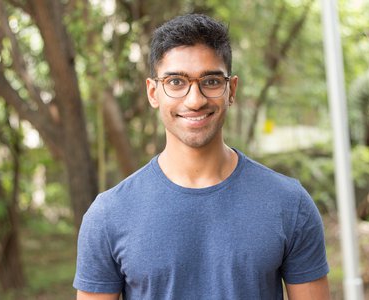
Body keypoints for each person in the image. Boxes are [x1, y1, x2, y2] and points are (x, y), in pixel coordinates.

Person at [73, 13, 330, 300]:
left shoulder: (289, 204)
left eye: (210, 81)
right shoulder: (108, 215)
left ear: (231, 90)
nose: (194, 100)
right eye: (175, 82)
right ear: (153, 92)